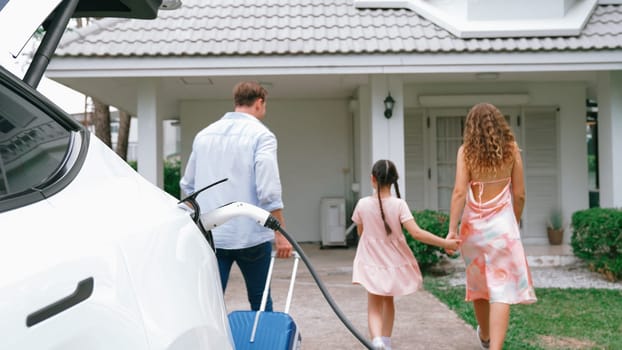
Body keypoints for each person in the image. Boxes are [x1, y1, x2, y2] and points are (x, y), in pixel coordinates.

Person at [179, 81, 292, 312]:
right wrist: (280, 234)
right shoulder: (262, 136)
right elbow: (268, 189)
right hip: (251, 234)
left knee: (208, 305)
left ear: (237, 102)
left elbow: (188, 185)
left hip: (212, 236)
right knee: (260, 302)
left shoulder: (204, 135)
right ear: (260, 103)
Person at [445, 103, 537, 350]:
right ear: (499, 123)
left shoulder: (465, 152)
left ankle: (485, 336)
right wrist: (513, 223)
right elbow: (519, 195)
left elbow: (459, 192)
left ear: (471, 126)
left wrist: (452, 230)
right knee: (501, 289)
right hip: (503, 229)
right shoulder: (512, 151)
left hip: (473, 230)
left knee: (479, 287)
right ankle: (494, 347)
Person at [351, 159, 461, 350]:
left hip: (371, 260)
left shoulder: (362, 204)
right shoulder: (399, 205)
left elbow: (361, 232)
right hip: (393, 260)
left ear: (372, 179)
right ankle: (385, 341)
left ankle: (376, 341)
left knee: (374, 303)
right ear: (394, 181)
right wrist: (445, 242)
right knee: (388, 300)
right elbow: (417, 233)